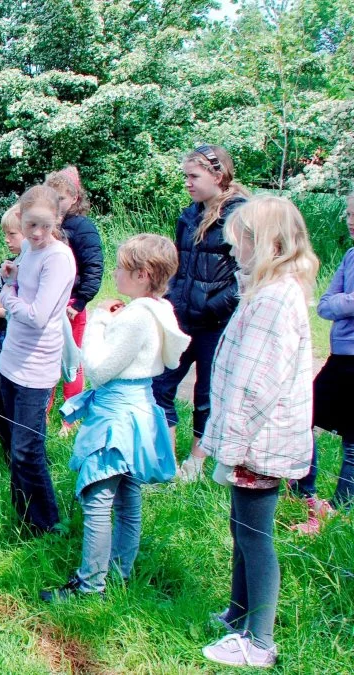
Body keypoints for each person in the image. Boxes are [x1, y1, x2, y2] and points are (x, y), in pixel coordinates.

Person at [199, 195, 317, 669]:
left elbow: (256, 383)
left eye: (239, 243)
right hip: (250, 437)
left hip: (258, 439)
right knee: (240, 526)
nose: (231, 253)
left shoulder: (274, 298)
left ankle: (259, 641)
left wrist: (226, 444)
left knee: (255, 535)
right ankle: (238, 614)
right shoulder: (268, 290)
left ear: (263, 243)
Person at [41, 234, 189, 602]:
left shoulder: (137, 316)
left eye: (121, 268)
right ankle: (120, 574)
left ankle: (90, 584)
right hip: (140, 408)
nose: (115, 273)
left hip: (116, 416)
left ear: (142, 274)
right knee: (127, 497)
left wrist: (97, 324)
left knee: (98, 498)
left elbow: (99, 369)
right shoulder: (159, 309)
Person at [153, 144, 251, 481]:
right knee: (159, 385)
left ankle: (195, 464)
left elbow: (247, 275)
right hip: (183, 317)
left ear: (218, 174)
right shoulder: (188, 214)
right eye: (185, 176)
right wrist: (173, 299)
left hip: (217, 324)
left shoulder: (242, 216)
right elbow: (178, 266)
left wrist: (212, 306)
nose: (188, 183)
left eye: (194, 176)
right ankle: (166, 461)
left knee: (206, 395)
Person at [0, 185, 76, 534]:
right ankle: (23, 517)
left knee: (28, 448)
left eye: (45, 225)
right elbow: (22, 290)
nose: (38, 233)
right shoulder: (28, 250)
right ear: (21, 219)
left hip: (36, 365)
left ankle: (47, 523)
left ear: (57, 219)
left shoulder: (58, 257)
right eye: (30, 225)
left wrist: (6, 294)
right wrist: (11, 277)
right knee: (12, 442)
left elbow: (37, 314)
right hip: (12, 358)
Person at [288, 189, 354, 533]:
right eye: (348, 215)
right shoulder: (350, 256)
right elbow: (326, 304)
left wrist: (342, 302)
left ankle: (340, 513)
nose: (351, 222)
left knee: (353, 441)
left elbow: (335, 304)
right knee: (303, 415)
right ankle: (302, 493)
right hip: (340, 357)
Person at [44, 167, 103, 432]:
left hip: (71, 306)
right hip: (50, 302)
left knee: (71, 361)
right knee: (46, 360)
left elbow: (93, 269)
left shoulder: (84, 228)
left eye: (62, 198)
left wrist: (79, 303)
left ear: (75, 198)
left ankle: (71, 417)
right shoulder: (46, 226)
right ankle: (43, 413)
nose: (57, 204)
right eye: (52, 198)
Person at [0, 206, 24, 454]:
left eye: (12, 234)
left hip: (22, 346)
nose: (7, 240)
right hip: (0, 340)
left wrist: (8, 308)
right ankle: (5, 452)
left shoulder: (37, 270)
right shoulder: (5, 265)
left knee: (19, 404)